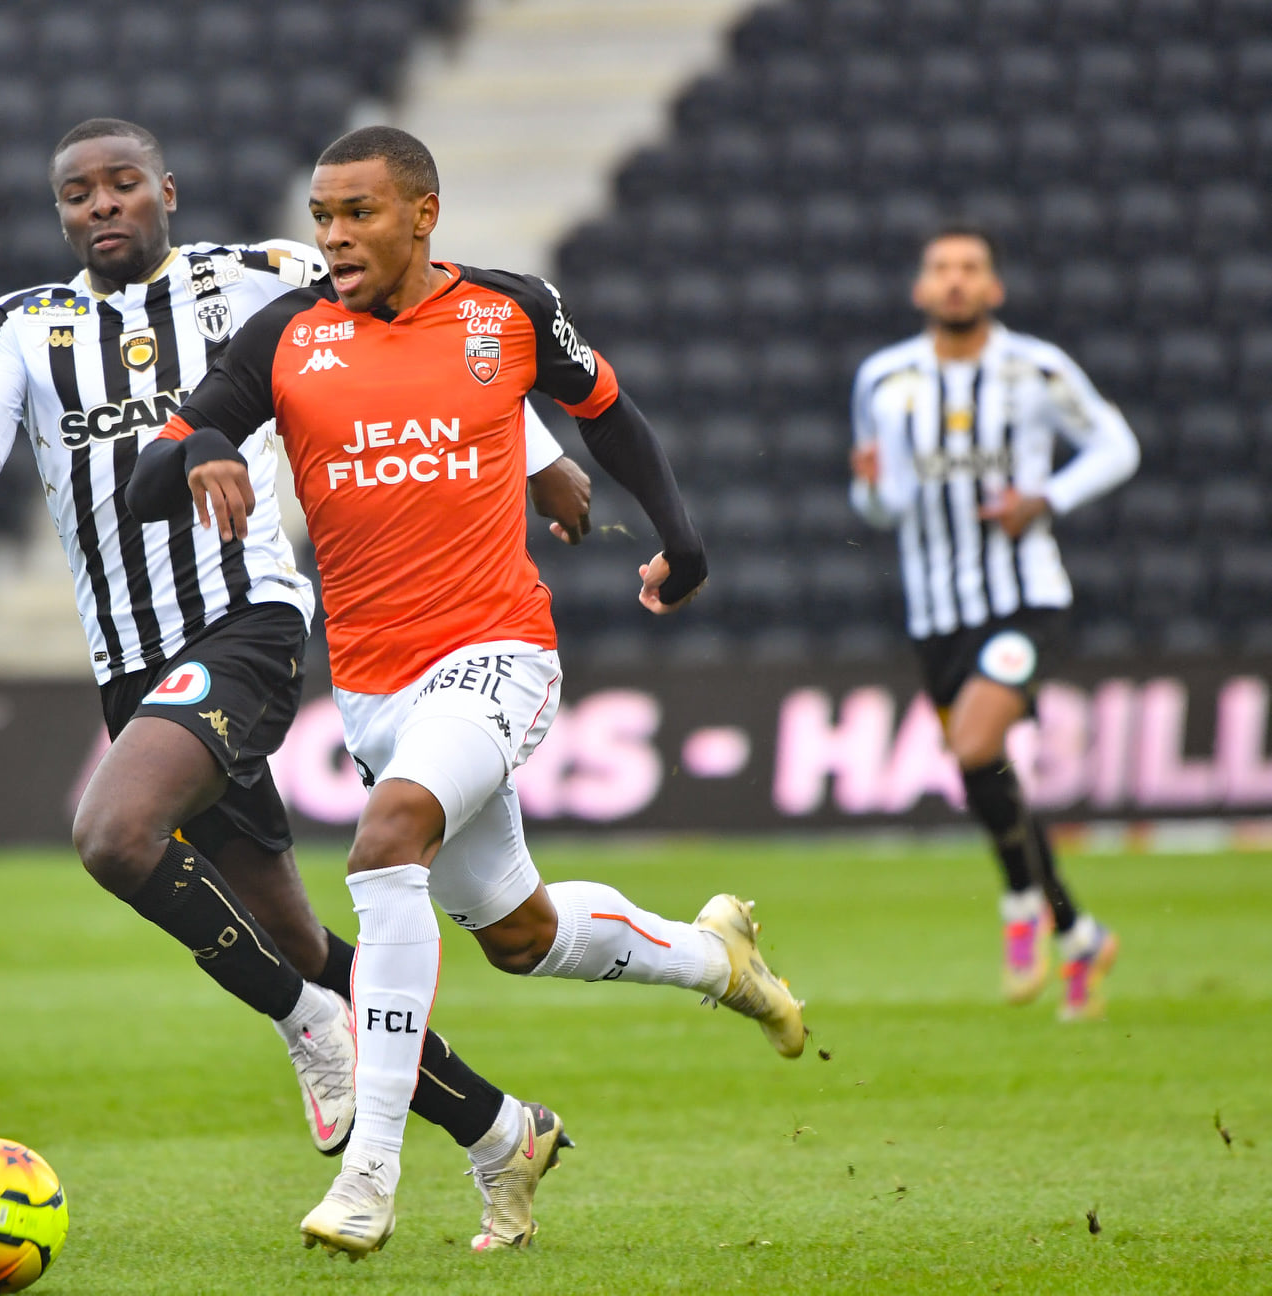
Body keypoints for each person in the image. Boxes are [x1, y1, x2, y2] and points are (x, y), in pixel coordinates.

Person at [0, 117, 595, 1250]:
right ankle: (498, 1131)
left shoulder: (261, 278)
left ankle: (308, 1029)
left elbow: (419, 339)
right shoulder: (23, 327)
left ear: (166, 191)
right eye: (77, 194)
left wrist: (543, 454)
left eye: (123, 184)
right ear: (60, 214)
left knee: (113, 836)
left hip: (244, 625)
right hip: (132, 667)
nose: (102, 206)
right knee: (300, 942)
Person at [128, 124, 807, 1260]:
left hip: (499, 652)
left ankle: (372, 1173)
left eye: (359, 214)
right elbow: (161, 465)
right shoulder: (288, 335)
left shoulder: (510, 313)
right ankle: (716, 960)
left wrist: (681, 541)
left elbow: (613, 415)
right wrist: (205, 447)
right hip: (377, 690)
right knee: (519, 932)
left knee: (386, 843)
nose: (334, 237)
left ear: (423, 213)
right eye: (323, 216)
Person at [850, 226, 1139, 1021]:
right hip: (934, 611)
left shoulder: (1035, 369)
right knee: (981, 772)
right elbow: (882, 504)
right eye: (940, 269)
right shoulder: (882, 379)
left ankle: (1020, 905)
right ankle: (1076, 930)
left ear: (993, 289)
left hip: (1024, 598)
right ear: (919, 288)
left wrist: (1045, 499)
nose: (953, 282)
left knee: (974, 743)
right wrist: (871, 490)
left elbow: (1117, 446)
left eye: (969, 269)